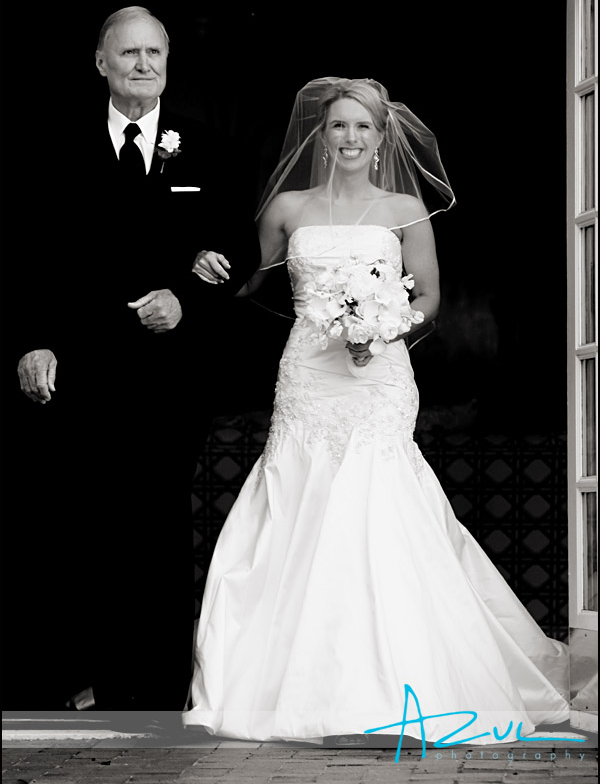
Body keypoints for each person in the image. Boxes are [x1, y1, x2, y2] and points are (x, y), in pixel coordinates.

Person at [182, 77, 569, 745]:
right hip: (307, 374)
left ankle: (392, 685)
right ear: (320, 135)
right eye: (338, 127)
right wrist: (203, 262)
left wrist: (385, 328)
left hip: (378, 379)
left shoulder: (404, 208)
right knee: (300, 502)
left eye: (362, 127)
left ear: (381, 136)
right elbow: (248, 279)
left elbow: (431, 300)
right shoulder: (288, 206)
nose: (350, 138)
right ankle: (284, 689)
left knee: (377, 506)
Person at [9, 6, 261, 715]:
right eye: (129, 54)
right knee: (75, 528)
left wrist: (185, 299)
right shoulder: (49, 144)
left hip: (166, 377)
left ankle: (154, 689)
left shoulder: (206, 147)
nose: (143, 65)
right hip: (76, 374)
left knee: (155, 531)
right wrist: (32, 338)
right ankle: (77, 679)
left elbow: (236, 250)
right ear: (102, 63)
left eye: (154, 53)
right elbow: (22, 251)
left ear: (168, 60)